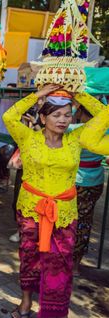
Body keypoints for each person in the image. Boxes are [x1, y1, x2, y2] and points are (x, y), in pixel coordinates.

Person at [3, 85, 104, 318]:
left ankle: (52, 313)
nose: (63, 120)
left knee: (59, 265)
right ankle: (26, 301)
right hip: (30, 209)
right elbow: (9, 115)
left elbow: (104, 115)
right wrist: (38, 94)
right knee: (29, 257)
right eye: (56, 114)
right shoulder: (27, 137)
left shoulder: (76, 138)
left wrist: (78, 94)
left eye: (67, 114)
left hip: (64, 212)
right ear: (43, 116)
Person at [69, 105, 106, 274]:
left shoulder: (74, 129)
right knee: (85, 221)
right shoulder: (104, 131)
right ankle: (76, 265)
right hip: (96, 180)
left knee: (68, 222)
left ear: (82, 113)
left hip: (77, 181)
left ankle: (65, 261)